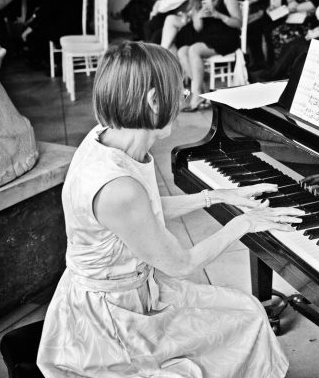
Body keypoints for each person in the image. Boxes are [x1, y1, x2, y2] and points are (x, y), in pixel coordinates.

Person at [36, 41, 299, 377]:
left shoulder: (106, 137)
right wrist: (245, 223)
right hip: (112, 321)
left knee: (247, 309)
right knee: (236, 327)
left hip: (135, 292)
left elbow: (146, 212)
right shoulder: (119, 188)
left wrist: (218, 195)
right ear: (153, 101)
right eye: (181, 89)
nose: (185, 98)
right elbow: (181, 263)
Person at [176, 0, 242, 111]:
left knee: (194, 49)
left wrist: (218, 14)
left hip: (227, 36)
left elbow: (238, 23)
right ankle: (203, 92)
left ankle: (196, 96)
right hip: (208, 36)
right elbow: (198, 29)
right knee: (182, 51)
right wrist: (198, 15)